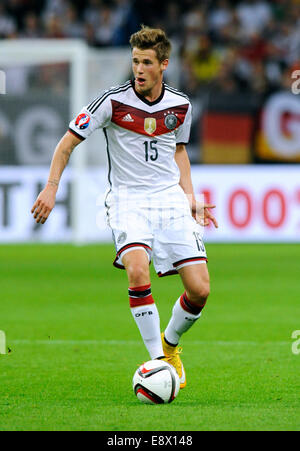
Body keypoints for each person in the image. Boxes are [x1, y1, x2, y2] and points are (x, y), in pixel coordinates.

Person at [31, 26, 218, 391]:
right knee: (136, 269)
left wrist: (190, 196)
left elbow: (179, 152)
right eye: (135, 61)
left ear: (163, 64)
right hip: (128, 199)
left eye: (147, 62)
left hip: (169, 200)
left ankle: (170, 344)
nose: (139, 69)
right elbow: (66, 144)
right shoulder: (111, 102)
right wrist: (51, 189)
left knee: (200, 290)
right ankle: (157, 362)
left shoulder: (181, 106)